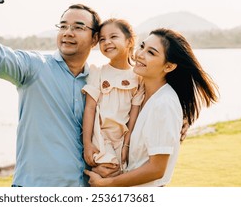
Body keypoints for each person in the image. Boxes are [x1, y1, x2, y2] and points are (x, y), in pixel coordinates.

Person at [0, 0, 101, 186]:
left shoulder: (97, 82)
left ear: (95, 39)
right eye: (63, 26)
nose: (68, 32)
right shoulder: (34, 66)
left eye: (78, 27)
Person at [85, 28, 219, 186]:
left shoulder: (164, 103)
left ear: (168, 66)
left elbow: (156, 169)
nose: (140, 54)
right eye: (142, 46)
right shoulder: (140, 95)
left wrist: (108, 183)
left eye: (151, 53)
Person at [82, 18, 144, 172]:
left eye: (113, 37)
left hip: (123, 139)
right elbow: (89, 108)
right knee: (107, 173)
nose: (107, 42)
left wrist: (127, 144)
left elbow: (134, 114)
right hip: (101, 138)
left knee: (121, 177)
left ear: (129, 41)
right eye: (102, 39)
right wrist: (87, 144)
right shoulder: (98, 72)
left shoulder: (138, 76)